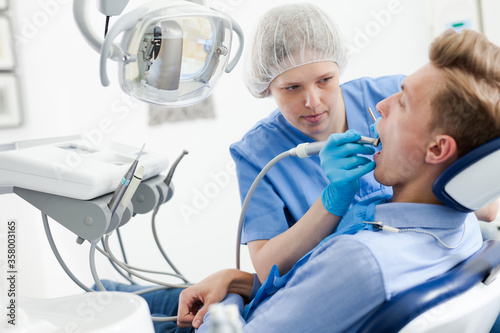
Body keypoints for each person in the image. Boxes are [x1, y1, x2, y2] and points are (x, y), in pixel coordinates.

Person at [173, 28, 500, 332]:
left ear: (438, 147)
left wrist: (227, 304)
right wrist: (236, 281)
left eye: (401, 102)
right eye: (291, 87)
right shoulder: (463, 230)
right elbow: (320, 290)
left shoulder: (362, 260)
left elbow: (341, 280)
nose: (381, 105)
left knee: (127, 301)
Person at [229, 2, 498, 283]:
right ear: (266, 88)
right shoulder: (257, 154)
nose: (313, 101)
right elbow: (267, 269)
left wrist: (411, 157)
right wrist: (332, 201)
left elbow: (486, 207)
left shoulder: (392, 95)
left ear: (338, 69)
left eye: (325, 80)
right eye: (292, 88)